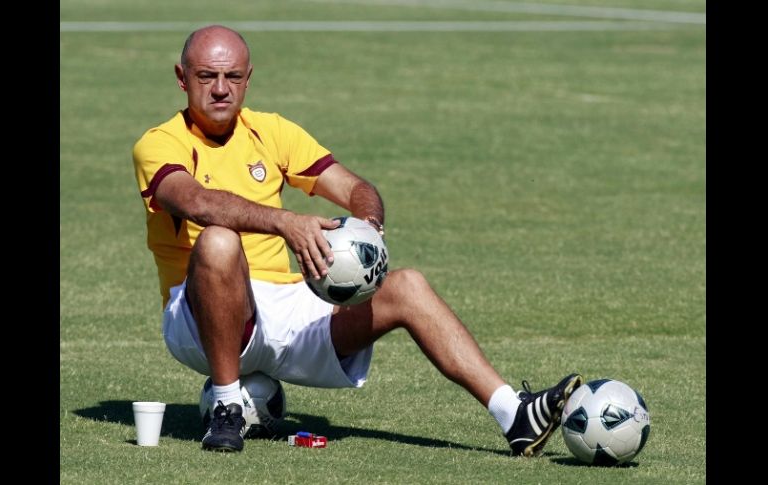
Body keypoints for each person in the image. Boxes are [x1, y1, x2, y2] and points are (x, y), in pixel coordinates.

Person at [132, 24, 583, 454]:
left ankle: (515, 415)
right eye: (206, 76)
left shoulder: (270, 130)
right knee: (217, 240)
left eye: (232, 76)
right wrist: (287, 222)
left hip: (288, 309)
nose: (220, 89)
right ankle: (226, 404)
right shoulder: (158, 143)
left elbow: (354, 187)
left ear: (248, 79)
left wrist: (368, 227)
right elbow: (195, 201)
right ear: (182, 78)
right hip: (197, 318)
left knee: (408, 286)